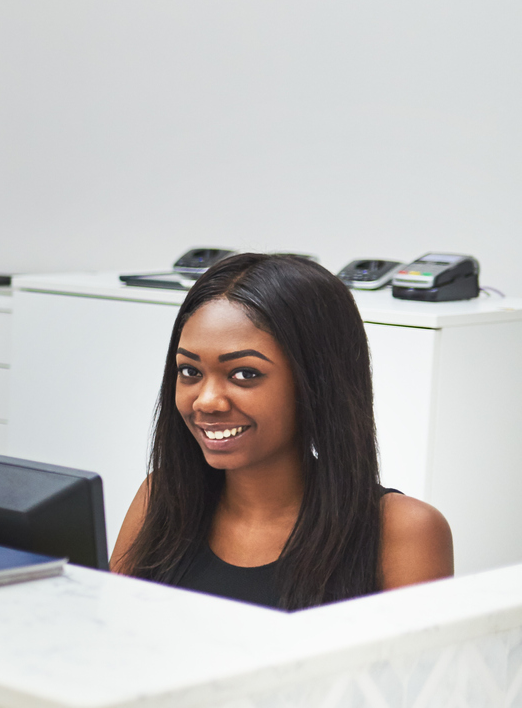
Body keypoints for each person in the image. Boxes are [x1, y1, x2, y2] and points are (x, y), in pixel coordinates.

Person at [111, 252, 452, 610]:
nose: (206, 401)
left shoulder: (403, 531)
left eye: (244, 374)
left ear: (318, 384)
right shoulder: (161, 497)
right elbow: (110, 642)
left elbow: (420, 668)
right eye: (190, 372)